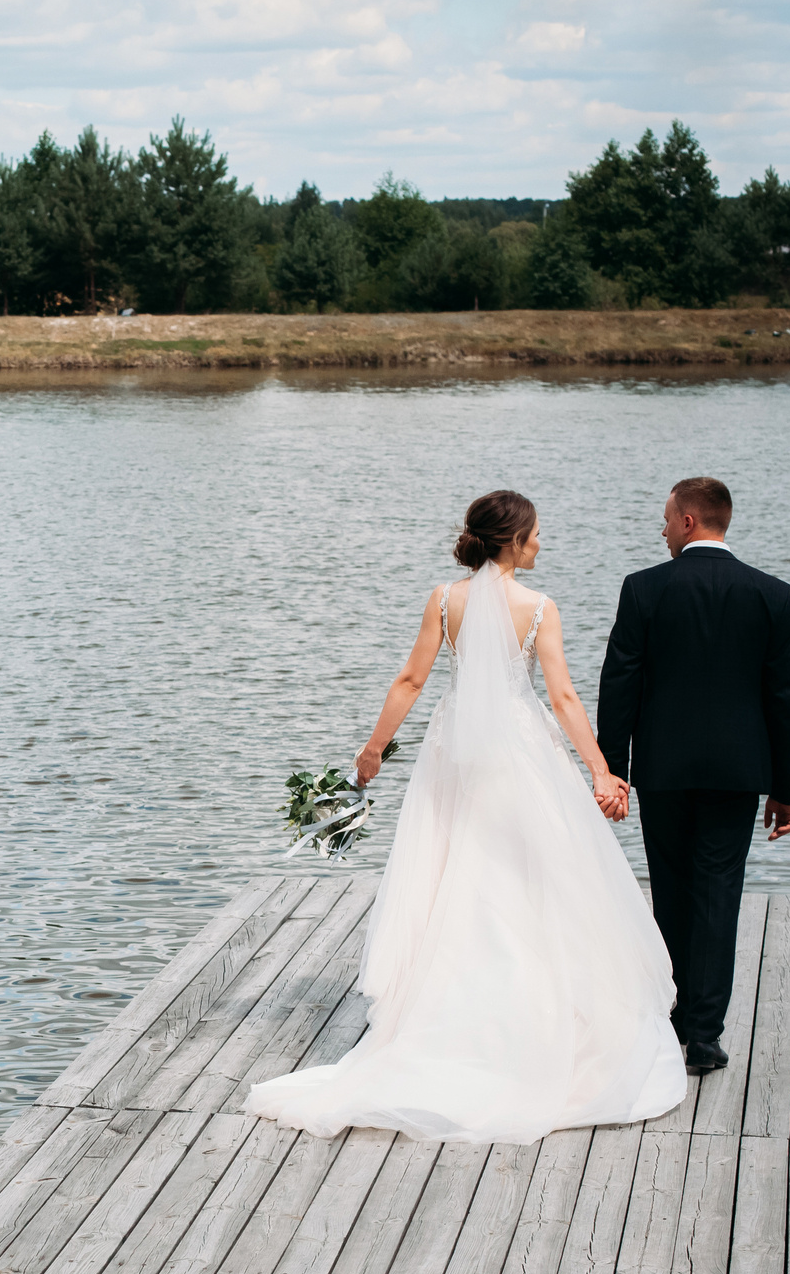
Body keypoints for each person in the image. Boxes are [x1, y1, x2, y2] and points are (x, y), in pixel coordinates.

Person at [244, 491, 687, 1145]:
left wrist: (373, 751)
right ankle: (533, 1017)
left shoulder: (444, 600)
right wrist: (599, 770)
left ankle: (451, 1014)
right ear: (513, 541)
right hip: (520, 753)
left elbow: (410, 680)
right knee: (532, 877)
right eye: (536, 534)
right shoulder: (539, 608)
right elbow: (563, 696)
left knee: (457, 870)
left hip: (452, 755)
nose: (541, 544)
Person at [597, 476, 790, 1076]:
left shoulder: (644, 588)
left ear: (688, 521)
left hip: (663, 770)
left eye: (666, 519)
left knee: (671, 889)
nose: (661, 530)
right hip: (738, 774)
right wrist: (784, 789)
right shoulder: (772, 594)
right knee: (718, 893)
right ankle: (705, 1035)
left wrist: (613, 771)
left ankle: (673, 1016)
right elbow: (784, 698)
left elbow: (619, 684)